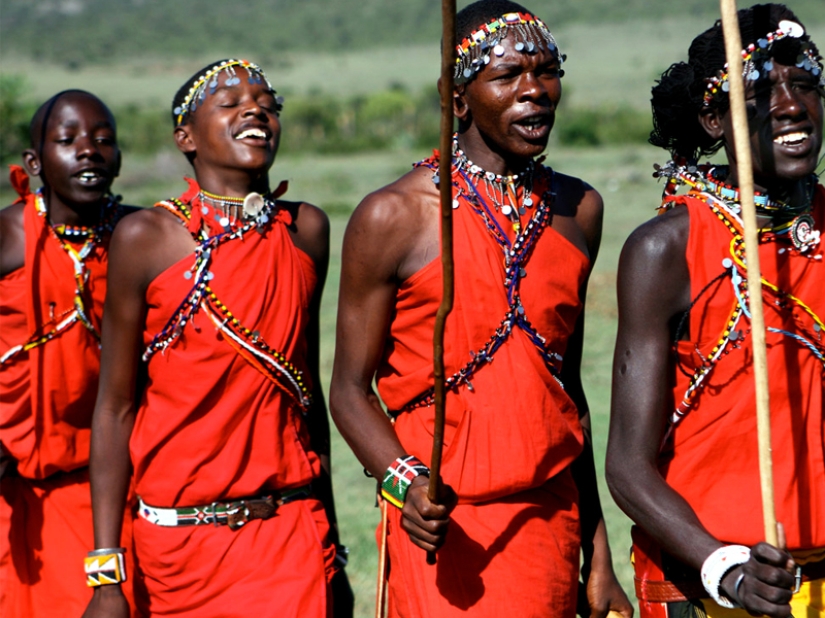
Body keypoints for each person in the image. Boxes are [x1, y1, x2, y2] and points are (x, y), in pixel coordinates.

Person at [330, 2, 634, 616]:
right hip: (444, 531)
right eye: (509, 76)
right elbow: (348, 390)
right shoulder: (394, 216)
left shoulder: (580, 210)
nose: (535, 92)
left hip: (550, 522)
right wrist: (404, 482)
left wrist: (598, 552)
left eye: (547, 72)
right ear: (458, 96)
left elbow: (566, 390)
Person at [82, 59, 345, 617]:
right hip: (178, 547)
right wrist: (106, 574)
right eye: (230, 103)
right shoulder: (145, 239)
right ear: (185, 137)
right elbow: (115, 408)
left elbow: (306, 397)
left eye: (268, 104)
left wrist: (334, 554)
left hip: (289, 532)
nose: (255, 110)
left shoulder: (307, 231)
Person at [606, 4, 824, 618]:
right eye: (758, 92)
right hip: (708, 585)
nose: (789, 106)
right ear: (712, 120)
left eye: (804, 84)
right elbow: (627, 466)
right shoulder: (667, 248)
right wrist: (724, 570)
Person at [0, 90, 137, 617]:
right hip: (23, 491)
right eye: (68, 140)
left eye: (104, 141)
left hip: (121, 482)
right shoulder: (9, 236)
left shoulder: (140, 235)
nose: (89, 152)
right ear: (34, 162)